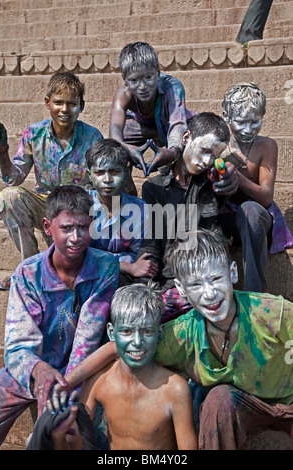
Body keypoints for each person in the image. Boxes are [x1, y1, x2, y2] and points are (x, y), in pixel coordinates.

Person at [57, 229, 293, 450]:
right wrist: (65, 384)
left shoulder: (271, 312)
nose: (209, 294)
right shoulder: (183, 332)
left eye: (216, 279)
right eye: (196, 285)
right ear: (181, 288)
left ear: (232, 273)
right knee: (218, 398)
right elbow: (118, 348)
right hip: (245, 407)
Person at [0, 185, 119, 450]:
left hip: (80, 370)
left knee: (85, 431)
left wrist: (62, 385)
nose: (76, 237)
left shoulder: (106, 266)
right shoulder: (28, 273)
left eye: (83, 227)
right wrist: (38, 370)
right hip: (29, 368)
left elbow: (87, 338)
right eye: (67, 228)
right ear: (48, 227)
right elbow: (17, 345)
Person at [35, 284, 198, 450]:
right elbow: (78, 445)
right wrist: (58, 435)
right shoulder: (99, 381)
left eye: (147, 331)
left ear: (160, 333)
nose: (137, 342)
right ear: (112, 333)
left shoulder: (175, 389)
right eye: (127, 331)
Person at [0, 71, 103, 289]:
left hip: (80, 208)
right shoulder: (33, 134)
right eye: (58, 102)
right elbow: (12, 178)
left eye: (71, 104)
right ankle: (32, 268)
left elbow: (100, 181)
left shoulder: (92, 137)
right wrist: (3, 151)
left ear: (82, 105)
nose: (64, 109)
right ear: (47, 103)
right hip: (46, 205)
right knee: (8, 197)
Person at [135, 111, 238, 321]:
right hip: (170, 280)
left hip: (203, 280)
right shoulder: (154, 188)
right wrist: (142, 285)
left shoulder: (211, 184)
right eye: (204, 151)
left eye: (214, 156)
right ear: (186, 138)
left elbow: (213, 235)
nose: (207, 161)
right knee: (140, 315)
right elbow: (152, 240)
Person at [219, 82, 293, 292]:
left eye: (255, 122)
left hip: (257, 220)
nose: (248, 129)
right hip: (226, 217)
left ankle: (255, 296)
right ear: (226, 116)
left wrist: (238, 178)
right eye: (241, 122)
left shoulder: (266, 146)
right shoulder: (219, 146)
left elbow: (266, 198)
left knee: (249, 211)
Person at [109, 41, 195, 192]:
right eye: (134, 80)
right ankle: (127, 193)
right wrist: (126, 149)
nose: (142, 87)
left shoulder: (172, 87)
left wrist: (173, 152)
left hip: (169, 123)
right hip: (139, 125)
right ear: (125, 80)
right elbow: (115, 131)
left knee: (192, 142)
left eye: (148, 77)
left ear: (158, 72)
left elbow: (178, 124)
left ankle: (182, 191)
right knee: (113, 150)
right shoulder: (123, 95)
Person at [85, 138, 158, 285]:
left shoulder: (140, 209)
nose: (107, 179)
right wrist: (127, 267)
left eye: (114, 172)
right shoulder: (80, 205)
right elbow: (76, 254)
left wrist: (130, 267)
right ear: (89, 176)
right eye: (99, 173)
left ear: (126, 173)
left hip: (120, 280)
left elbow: (139, 258)